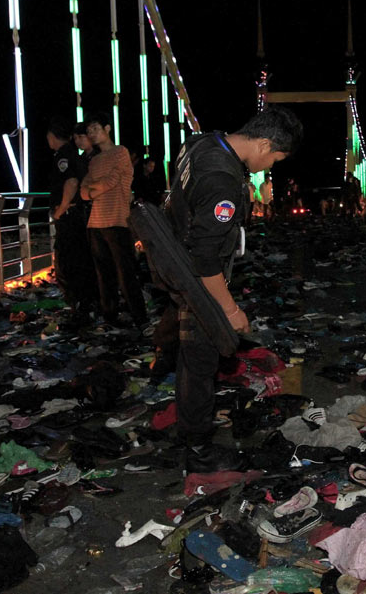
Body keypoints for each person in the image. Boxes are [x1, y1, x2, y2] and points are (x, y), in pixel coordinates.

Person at [161, 106, 302, 473]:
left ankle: (189, 434)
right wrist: (230, 309)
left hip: (174, 263)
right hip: (197, 280)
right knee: (201, 363)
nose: (269, 167)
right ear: (265, 144)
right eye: (275, 159)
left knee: (189, 360)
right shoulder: (222, 178)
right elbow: (205, 258)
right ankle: (199, 451)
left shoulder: (199, 144)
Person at [79, 111, 148, 326]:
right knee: (103, 274)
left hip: (117, 220)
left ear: (107, 128)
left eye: (95, 129)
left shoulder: (120, 152)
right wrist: (93, 190)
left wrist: (93, 190)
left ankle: (140, 318)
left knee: (125, 273)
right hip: (95, 223)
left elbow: (111, 181)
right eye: (89, 131)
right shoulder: (94, 160)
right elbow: (83, 191)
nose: (92, 134)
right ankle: (110, 316)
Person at [46, 116, 97, 316]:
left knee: (68, 261)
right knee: (79, 259)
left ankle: (79, 304)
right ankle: (85, 302)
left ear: (52, 136)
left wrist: (60, 210)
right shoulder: (76, 155)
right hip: (76, 215)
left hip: (69, 216)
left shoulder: (63, 156)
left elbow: (71, 182)